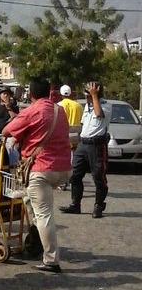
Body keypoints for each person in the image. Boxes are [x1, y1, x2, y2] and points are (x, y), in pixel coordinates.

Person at [2, 78, 71, 274]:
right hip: (63, 169)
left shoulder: (32, 110)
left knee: (43, 216)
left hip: (41, 169)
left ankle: (51, 260)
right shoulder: (60, 110)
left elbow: (7, 130)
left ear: (31, 94)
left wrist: (17, 137)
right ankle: (35, 244)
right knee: (30, 203)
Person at [60, 81, 111, 219]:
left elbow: (99, 114)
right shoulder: (87, 107)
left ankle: (98, 206)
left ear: (96, 94)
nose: (87, 96)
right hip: (83, 144)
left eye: (89, 94)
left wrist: (94, 95)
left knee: (98, 177)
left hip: (97, 146)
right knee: (75, 175)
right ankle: (75, 204)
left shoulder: (106, 106)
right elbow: (83, 126)